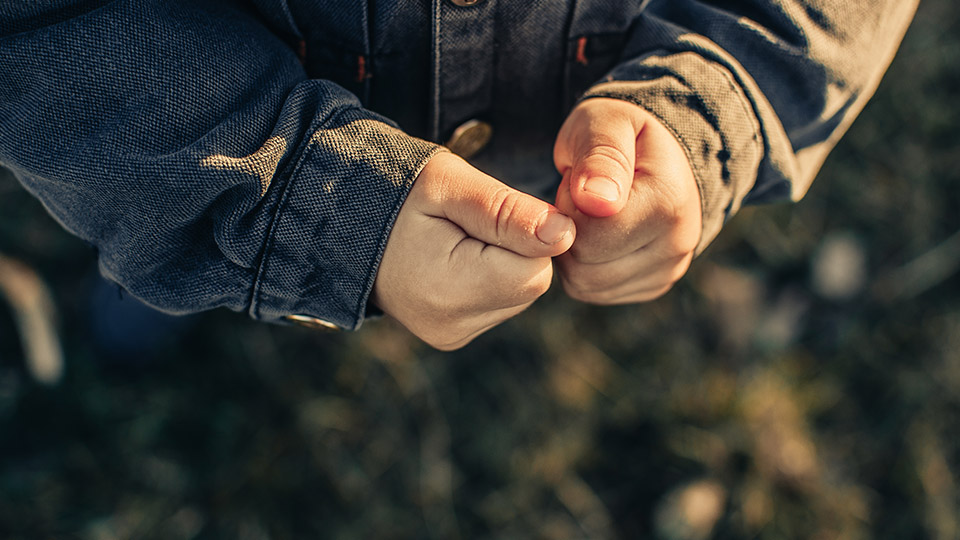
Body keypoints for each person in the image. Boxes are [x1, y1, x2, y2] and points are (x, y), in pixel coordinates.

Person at [0, 1, 918, 350]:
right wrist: (289, 203)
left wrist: (707, 105)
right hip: (197, 134)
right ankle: (177, 287)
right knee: (161, 254)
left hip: (562, 128)